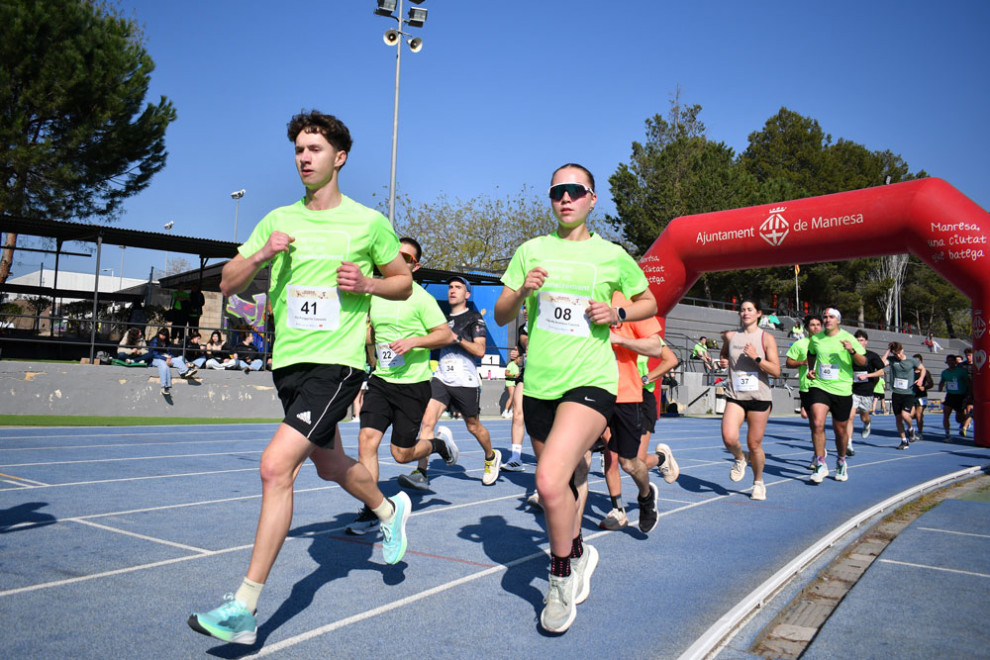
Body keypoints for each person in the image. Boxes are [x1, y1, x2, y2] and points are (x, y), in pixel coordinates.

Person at [187, 111, 414, 646]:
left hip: (338, 363)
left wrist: (368, 284)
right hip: (289, 363)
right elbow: (228, 281)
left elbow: (402, 282)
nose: (304, 158)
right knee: (329, 464)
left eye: (315, 149)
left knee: (275, 468)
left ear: (339, 157)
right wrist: (263, 253)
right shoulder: (277, 219)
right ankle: (389, 509)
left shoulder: (368, 223)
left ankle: (244, 609)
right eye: (298, 150)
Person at [493, 163, 658, 633]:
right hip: (540, 384)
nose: (565, 198)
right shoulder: (531, 251)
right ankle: (578, 551)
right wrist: (522, 291)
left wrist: (618, 312)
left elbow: (649, 301)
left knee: (547, 482)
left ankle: (560, 576)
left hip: (591, 380)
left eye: (575, 190)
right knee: (562, 485)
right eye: (557, 191)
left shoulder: (612, 255)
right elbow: (502, 313)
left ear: (592, 199)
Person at [346, 237, 455, 535]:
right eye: (396, 255)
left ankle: (438, 445)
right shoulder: (376, 293)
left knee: (401, 454)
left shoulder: (421, 299)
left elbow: (445, 335)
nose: (399, 260)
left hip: (412, 385)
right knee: (366, 441)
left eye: (407, 258)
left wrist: (413, 341)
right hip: (381, 380)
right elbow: (370, 331)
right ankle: (372, 509)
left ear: (415, 266)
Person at [398, 275, 501, 489]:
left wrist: (457, 338)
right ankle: (421, 473)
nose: (452, 290)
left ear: (467, 294)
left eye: (458, 287)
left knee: (473, 426)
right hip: (441, 377)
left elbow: (480, 351)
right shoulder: (443, 320)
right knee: (427, 422)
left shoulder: (474, 318)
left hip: (465, 380)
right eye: (450, 287)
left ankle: (491, 457)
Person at [597, 290, 673, 531]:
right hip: (594, 392)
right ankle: (617, 510)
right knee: (604, 457)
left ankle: (652, 480)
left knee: (630, 463)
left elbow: (666, 356)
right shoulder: (583, 296)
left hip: (634, 395)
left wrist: (646, 377)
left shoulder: (630, 307)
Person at [718, 299, 780, 501]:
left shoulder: (766, 338)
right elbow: (724, 354)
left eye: (750, 309)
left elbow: (776, 371)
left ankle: (758, 482)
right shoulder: (731, 336)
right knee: (728, 438)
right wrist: (724, 361)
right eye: (743, 310)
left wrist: (757, 357)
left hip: (759, 397)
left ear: (759, 313)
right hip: (735, 395)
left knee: (754, 445)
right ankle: (740, 457)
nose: (745, 313)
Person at [806, 307, 867, 484]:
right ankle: (820, 463)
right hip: (820, 386)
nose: (827, 319)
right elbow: (811, 353)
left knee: (840, 431)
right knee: (817, 423)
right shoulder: (816, 339)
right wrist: (811, 369)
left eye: (831, 317)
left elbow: (863, 362)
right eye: (825, 317)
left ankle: (841, 461)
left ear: (838, 320)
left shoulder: (848, 338)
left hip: (842, 389)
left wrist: (851, 350)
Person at [785, 314, 822, 469]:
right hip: (806, 387)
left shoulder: (828, 344)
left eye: (818, 324)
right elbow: (788, 362)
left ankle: (819, 456)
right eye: (812, 325)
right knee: (814, 424)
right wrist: (802, 362)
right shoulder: (800, 344)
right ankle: (818, 451)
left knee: (818, 423)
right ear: (807, 328)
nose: (816, 327)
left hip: (824, 387)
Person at [848, 330, 886, 454]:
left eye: (861, 340)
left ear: (866, 342)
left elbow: (881, 372)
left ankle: (867, 424)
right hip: (852, 390)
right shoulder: (849, 355)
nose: (859, 342)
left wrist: (867, 375)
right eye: (857, 340)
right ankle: (849, 444)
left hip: (867, 391)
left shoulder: (872, 356)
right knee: (850, 417)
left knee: (864, 416)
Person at [883, 342, 925, 450]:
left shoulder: (911, 360)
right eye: (895, 354)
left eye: (899, 353)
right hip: (896, 393)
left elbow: (923, 369)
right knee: (898, 419)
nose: (898, 356)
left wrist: (920, 379)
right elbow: (881, 363)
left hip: (908, 393)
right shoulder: (892, 360)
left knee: (905, 415)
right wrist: (888, 351)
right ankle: (904, 441)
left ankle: (910, 429)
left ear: (903, 350)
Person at [148, 326, 197, 396]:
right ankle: (164, 386)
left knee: (179, 358)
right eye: (161, 334)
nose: (162, 336)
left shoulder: (167, 342)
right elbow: (154, 354)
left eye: (164, 335)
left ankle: (186, 371)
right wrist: (165, 359)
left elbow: (170, 352)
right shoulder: (154, 341)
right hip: (156, 359)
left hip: (166, 358)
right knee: (164, 367)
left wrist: (170, 357)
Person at [938, 354, 971, 441]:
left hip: (960, 396)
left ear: (955, 362)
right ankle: (947, 434)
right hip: (950, 395)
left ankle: (968, 419)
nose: (950, 363)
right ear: (947, 362)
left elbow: (968, 382)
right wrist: (940, 389)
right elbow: (942, 381)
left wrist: (969, 394)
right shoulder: (945, 372)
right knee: (946, 415)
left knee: (959, 419)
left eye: (952, 361)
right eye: (949, 361)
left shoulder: (961, 371)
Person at [911, 353, 934, 440]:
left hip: (921, 396)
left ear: (921, 362)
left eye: (918, 361)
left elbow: (931, 383)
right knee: (910, 415)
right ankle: (912, 428)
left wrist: (924, 387)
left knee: (918, 415)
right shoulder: (910, 371)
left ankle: (920, 432)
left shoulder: (925, 372)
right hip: (911, 395)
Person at [502, 347, 521, 418]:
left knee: (514, 397)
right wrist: (514, 375)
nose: (520, 360)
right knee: (511, 396)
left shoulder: (516, 366)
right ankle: (505, 411)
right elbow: (506, 373)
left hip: (514, 383)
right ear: (516, 358)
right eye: (519, 358)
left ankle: (510, 411)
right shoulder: (511, 364)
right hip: (510, 382)